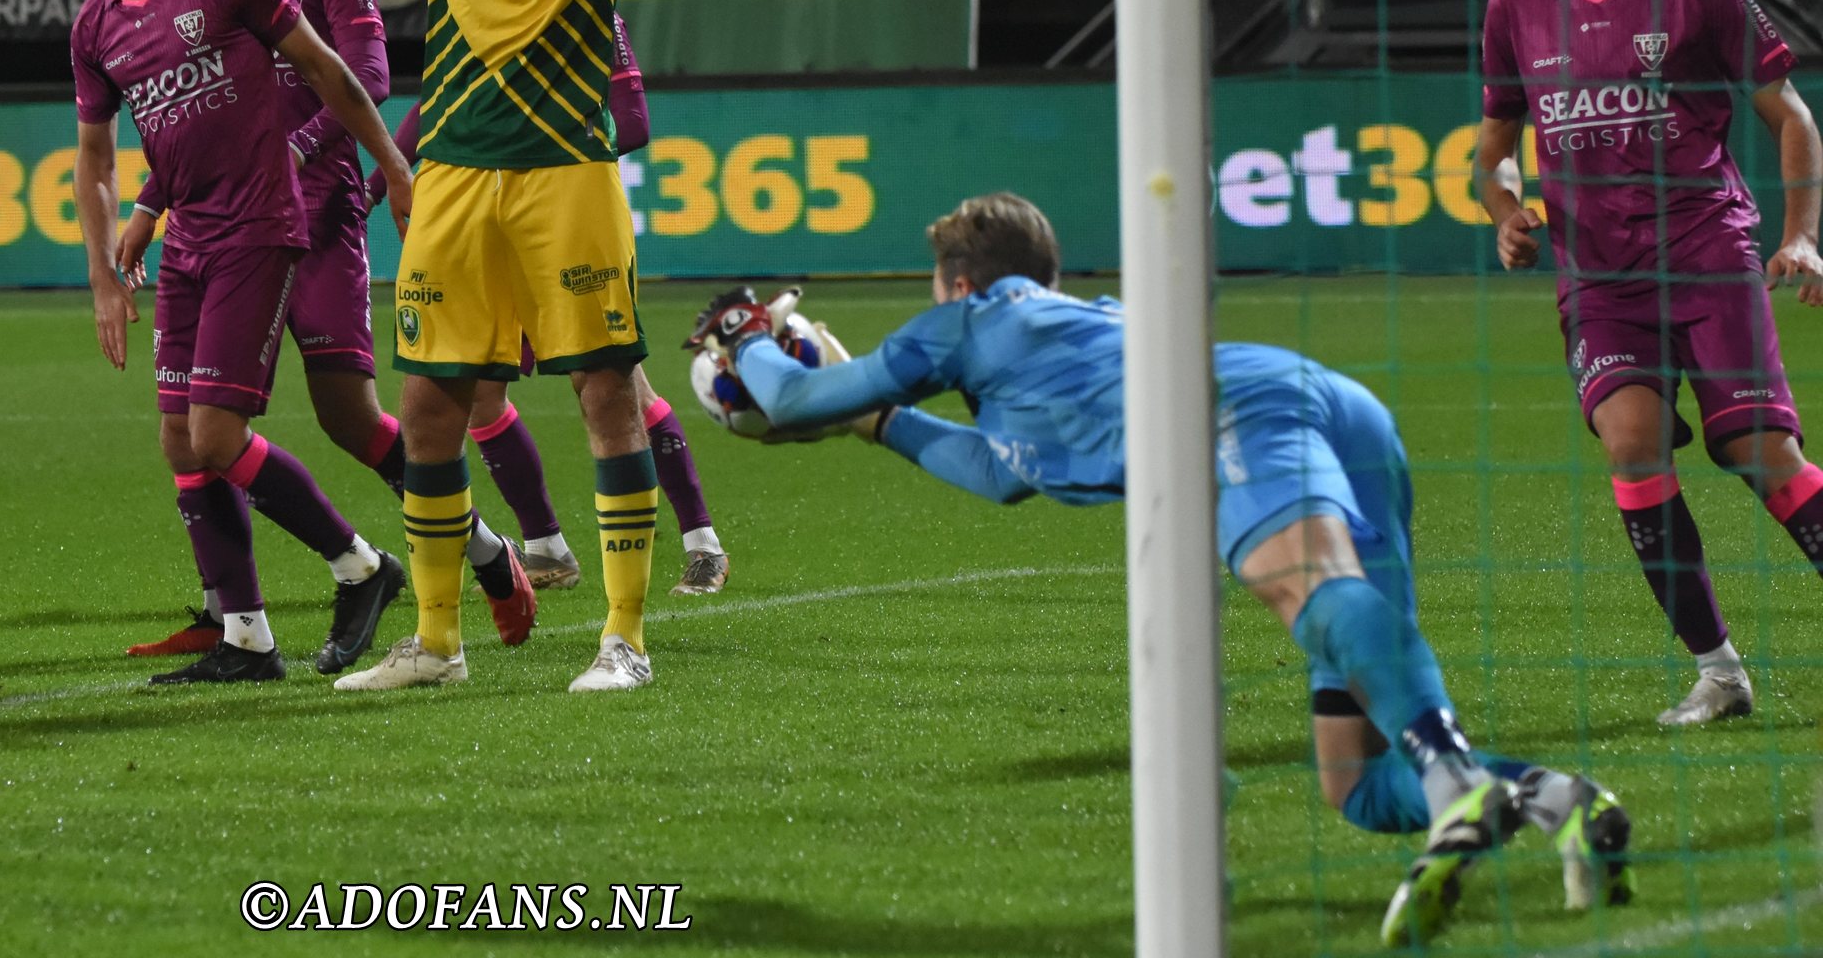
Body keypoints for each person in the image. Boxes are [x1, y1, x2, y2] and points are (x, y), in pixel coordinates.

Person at [684, 192, 1635, 946]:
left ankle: (1454, 783)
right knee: (1352, 780)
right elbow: (994, 473)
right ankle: (1558, 800)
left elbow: (798, 394)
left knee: (1298, 586)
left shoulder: (970, 320)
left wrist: (745, 333)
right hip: (1333, 408)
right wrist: (883, 421)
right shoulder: (1081, 330)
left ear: (961, 281)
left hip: (1239, 412)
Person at [296, 0, 703, 693]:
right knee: (429, 404)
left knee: (606, 395)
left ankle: (624, 638)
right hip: (457, 172)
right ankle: (437, 641)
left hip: (567, 168)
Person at [117, 0, 538, 661]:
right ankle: (234, 615)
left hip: (319, 213)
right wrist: (152, 201)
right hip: (223, 222)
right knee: (189, 423)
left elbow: (373, 75)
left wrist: (298, 148)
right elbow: (196, 117)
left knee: (350, 419)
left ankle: (481, 551)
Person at [1477, 0, 1823, 727]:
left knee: (1762, 455)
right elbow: (1493, 154)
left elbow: (1790, 115)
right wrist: (1509, 210)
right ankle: (1719, 672)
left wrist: (1801, 235)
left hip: (1706, 251)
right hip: (1599, 276)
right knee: (1632, 444)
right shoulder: (1514, 6)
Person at [70, 0, 418, 685]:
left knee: (217, 432)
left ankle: (361, 568)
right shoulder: (95, 25)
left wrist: (395, 167)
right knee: (179, 444)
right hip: (187, 240)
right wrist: (105, 281)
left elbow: (331, 70)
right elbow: (95, 162)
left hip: (260, 226)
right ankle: (247, 636)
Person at [364, 13, 732, 597]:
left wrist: (535, 135)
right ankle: (546, 547)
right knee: (481, 394)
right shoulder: (477, 2)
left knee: (618, 384)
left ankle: (702, 543)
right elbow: (434, 105)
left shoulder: (592, 12)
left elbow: (633, 123)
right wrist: (372, 189)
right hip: (488, 219)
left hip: (563, 217)